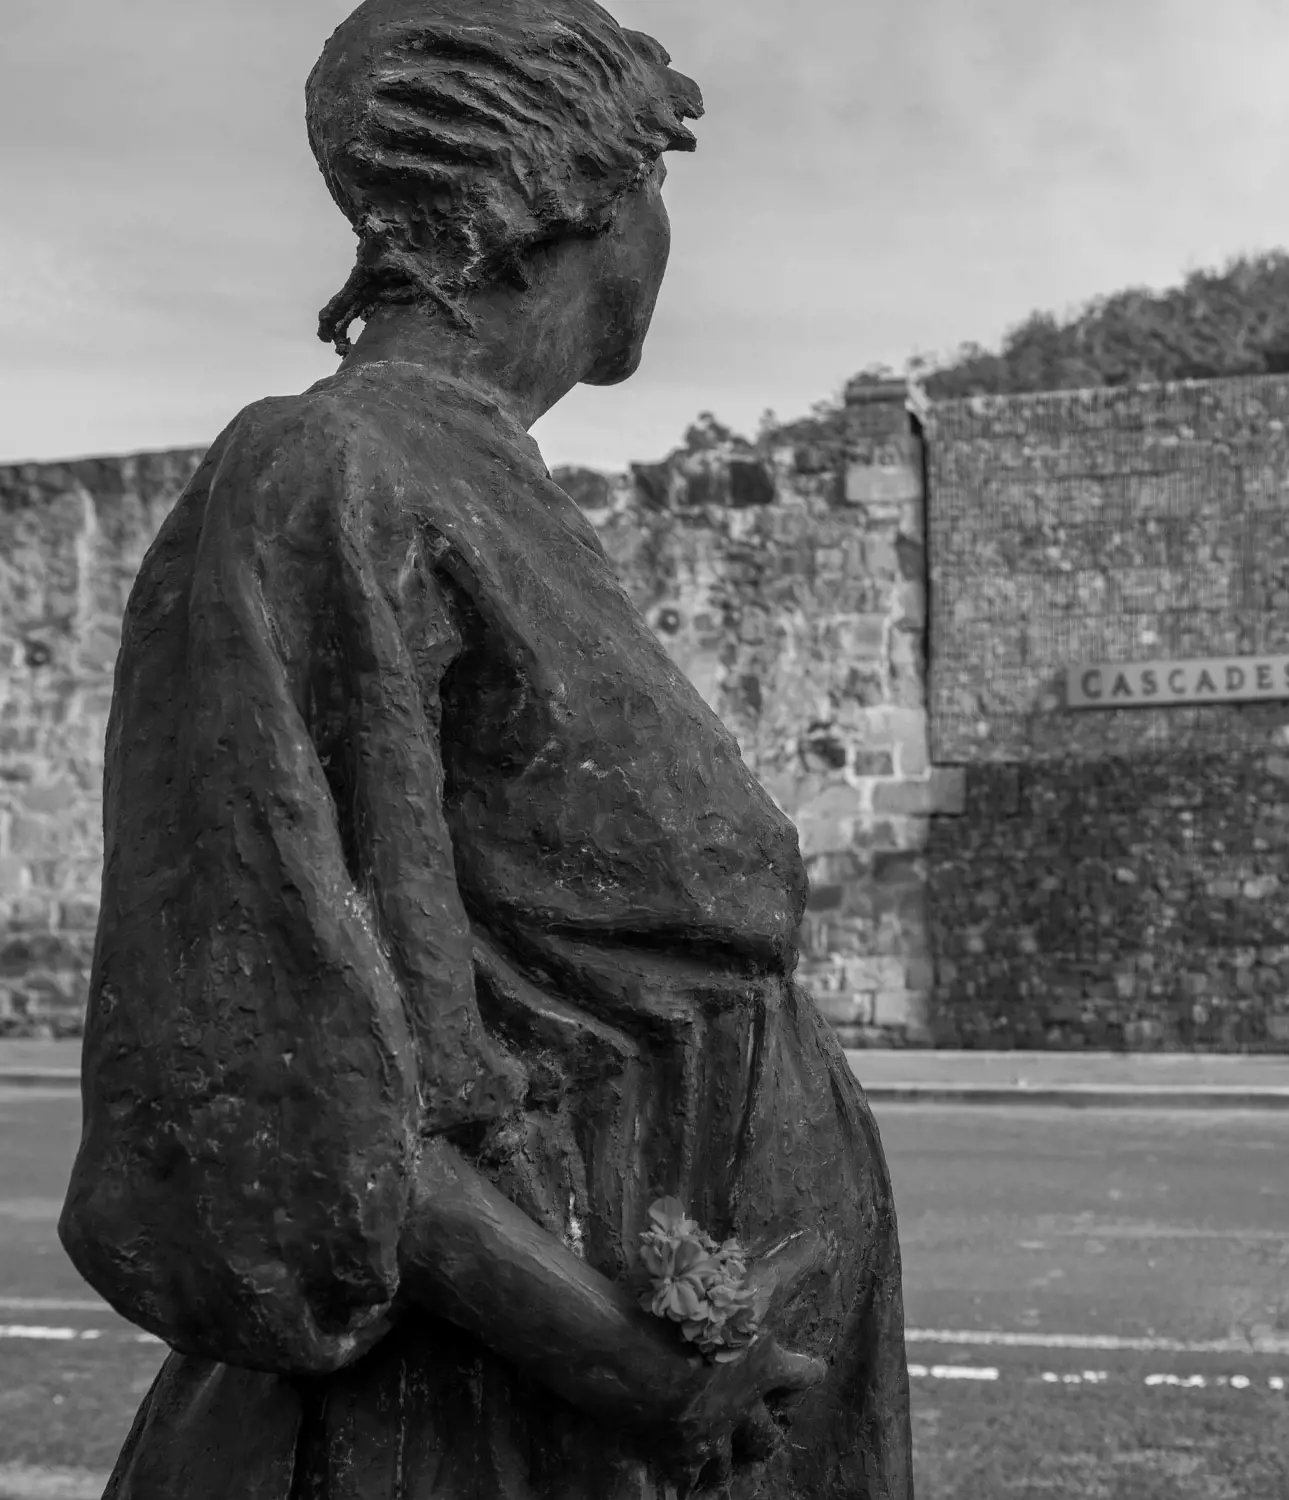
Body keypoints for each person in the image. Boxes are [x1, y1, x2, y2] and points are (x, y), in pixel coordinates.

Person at [56, 2, 913, 1495]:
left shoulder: (484, 481)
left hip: (689, 1386)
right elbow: (262, 1056)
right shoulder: (327, 467)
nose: (662, 235)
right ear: (570, 191)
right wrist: (622, 1359)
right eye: (656, 184)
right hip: (518, 1417)